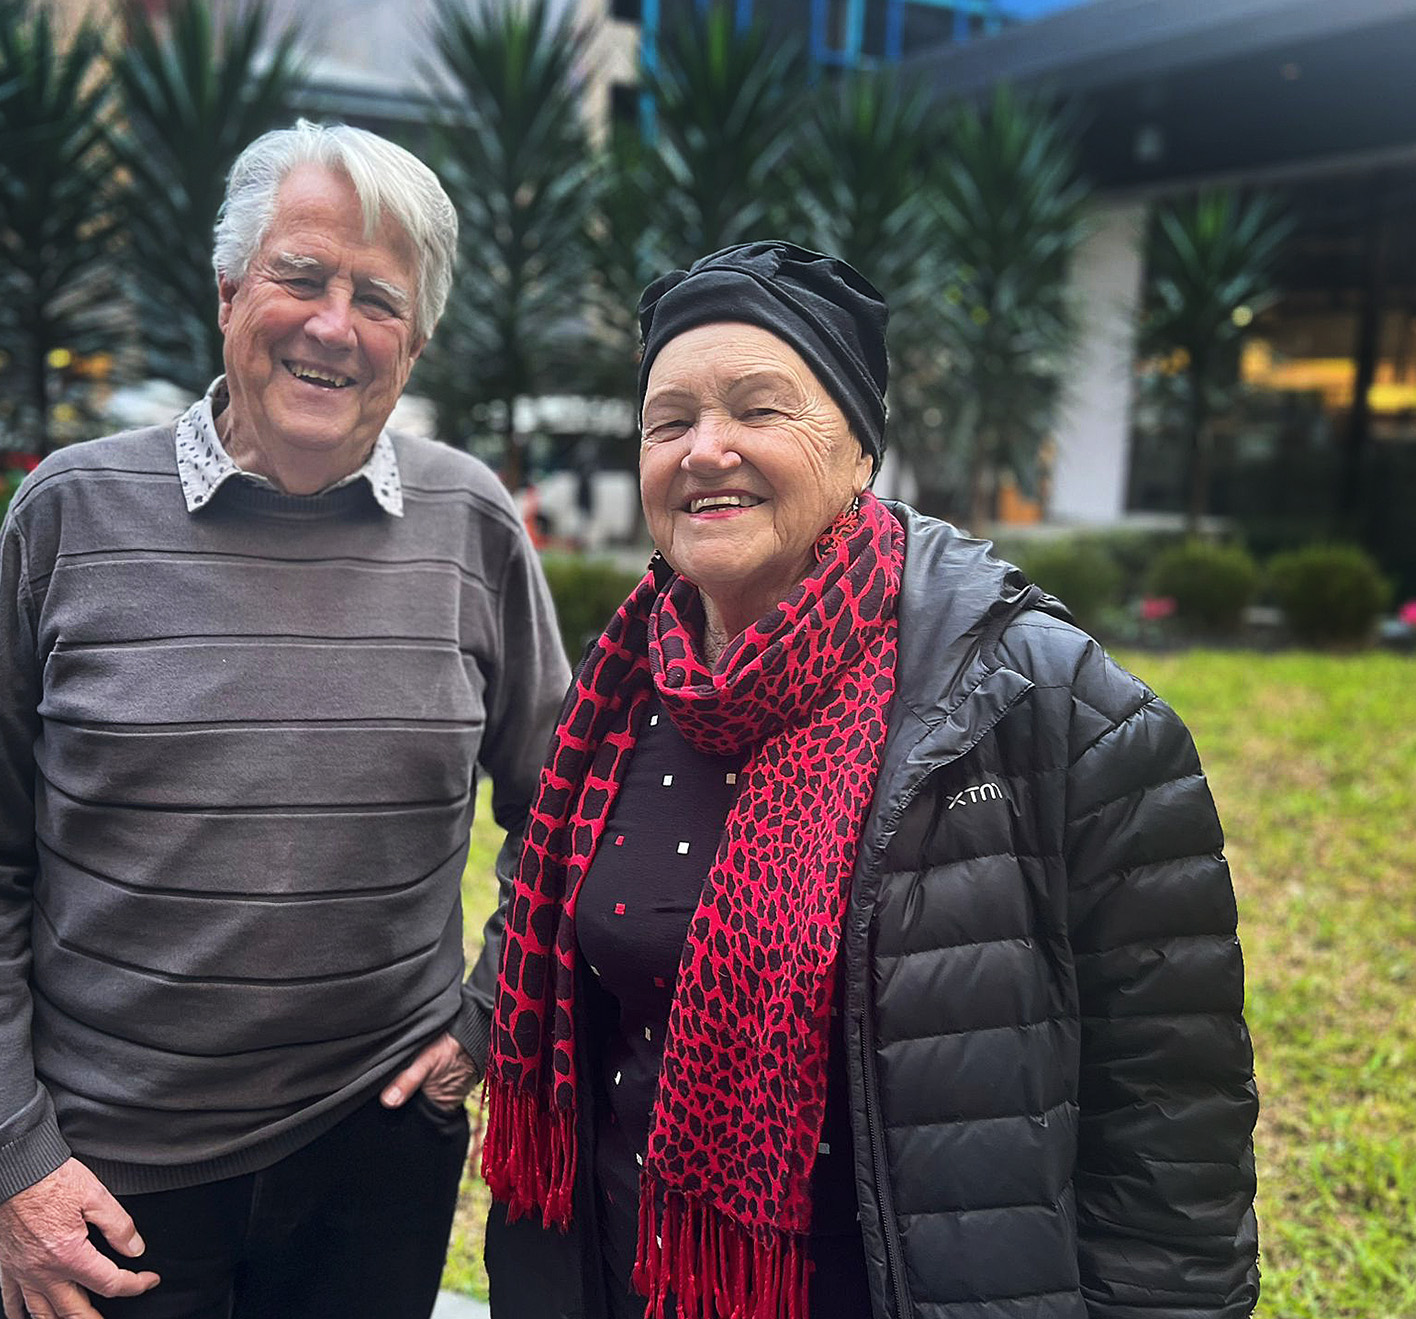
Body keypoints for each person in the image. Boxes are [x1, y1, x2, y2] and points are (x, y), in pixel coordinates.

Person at [480, 242, 1258, 1319]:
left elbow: (1172, 1116)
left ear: (859, 450)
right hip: (617, 1273)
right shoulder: (617, 697)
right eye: (670, 420)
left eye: (760, 408)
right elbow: (544, 927)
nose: (707, 450)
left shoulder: (1043, 704)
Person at [0, 120, 570, 1319]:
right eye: (301, 276)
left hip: (374, 1161)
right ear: (228, 291)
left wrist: (488, 1010)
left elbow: (563, 811)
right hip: (104, 1185)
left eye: (378, 297)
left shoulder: (472, 524)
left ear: (413, 343)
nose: (334, 324)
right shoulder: (71, 511)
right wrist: (9, 1158)